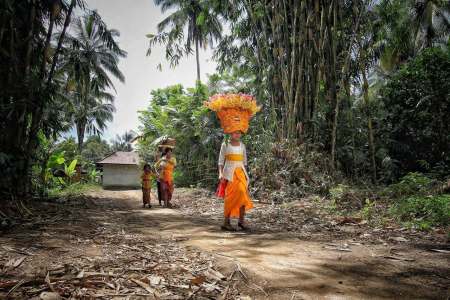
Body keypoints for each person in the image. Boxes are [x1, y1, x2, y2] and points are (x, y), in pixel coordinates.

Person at [204, 93, 261, 231]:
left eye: (239, 132)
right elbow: (220, 161)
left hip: (240, 173)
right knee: (230, 197)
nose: (237, 134)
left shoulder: (242, 146)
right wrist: (220, 173)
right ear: (230, 132)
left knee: (242, 194)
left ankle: (241, 221)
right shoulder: (225, 145)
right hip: (228, 174)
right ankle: (226, 222)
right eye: (235, 132)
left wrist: (245, 173)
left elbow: (245, 162)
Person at [155, 143, 176, 208]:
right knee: (164, 190)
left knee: (170, 190)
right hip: (163, 176)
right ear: (166, 153)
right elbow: (156, 166)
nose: (169, 154)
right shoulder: (162, 159)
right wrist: (157, 173)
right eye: (168, 152)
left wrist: (167, 160)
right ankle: (165, 203)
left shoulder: (173, 159)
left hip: (170, 177)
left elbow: (174, 165)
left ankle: (168, 202)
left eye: (170, 152)